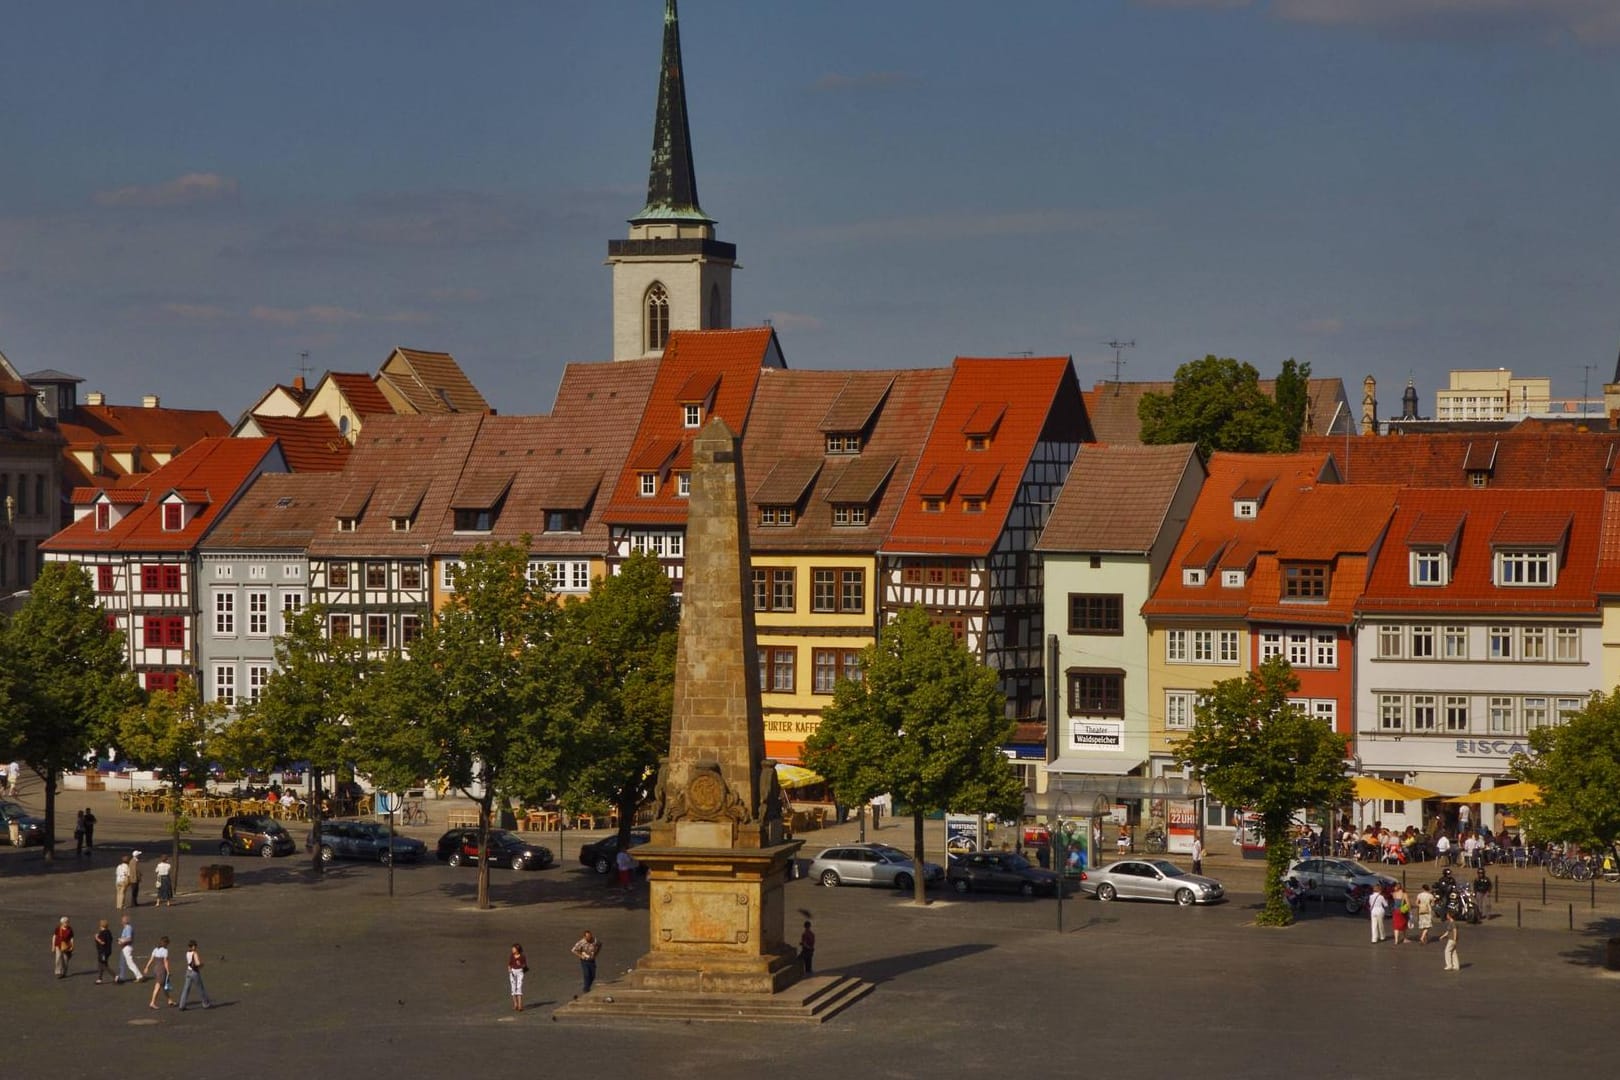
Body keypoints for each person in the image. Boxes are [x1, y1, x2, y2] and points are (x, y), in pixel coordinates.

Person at [177, 940, 213, 1010]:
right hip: (194, 972)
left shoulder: (187, 953)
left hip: (188, 972)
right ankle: (206, 1004)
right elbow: (197, 963)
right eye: (195, 946)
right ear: (193, 946)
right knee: (200, 988)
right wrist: (202, 965)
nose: (196, 947)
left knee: (186, 989)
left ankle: (182, 1005)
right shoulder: (195, 953)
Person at [144, 936, 177, 1008]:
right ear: (165, 943)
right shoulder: (165, 951)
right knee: (158, 986)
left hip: (156, 968)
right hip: (161, 969)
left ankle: (169, 1000)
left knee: (164, 985)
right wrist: (168, 971)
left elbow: (151, 959)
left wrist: (147, 967)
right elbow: (165, 962)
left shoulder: (155, 949)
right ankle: (152, 1002)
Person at [570, 930, 600, 995]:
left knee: (593, 975)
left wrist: (596, 954)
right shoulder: (581, 942)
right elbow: (573, 950)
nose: (589, 938)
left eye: (590, 936)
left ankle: (587, 987)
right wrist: (581, 956)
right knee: (586, 974)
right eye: (588, 937)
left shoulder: (595, 941)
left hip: (592, 960)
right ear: (584, 937)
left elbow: (599, 945)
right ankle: (586, 989)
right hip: (584, 960)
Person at [115, 915, 142, 984]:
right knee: (122, 963)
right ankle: (121, 977)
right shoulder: (126, 928)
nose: (122, 921)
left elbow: (129, 938)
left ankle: (139, 976)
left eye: (123, 920)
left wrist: (121, 941)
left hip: (127, 947)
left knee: (130, 963)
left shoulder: (128, 928)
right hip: (124, 947)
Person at [508, 943, 528, 1011]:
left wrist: (521, 964)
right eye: (512, 948)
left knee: (519, 987)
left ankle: (520, 1005)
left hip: (520, 972)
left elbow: (525, 966)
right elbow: (509, 964)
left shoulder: (522, 956)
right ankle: (515, 1004)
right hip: (513, 972)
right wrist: (509, 969)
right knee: (513, 987)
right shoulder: (512, 956)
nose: (512, 950)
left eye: (514, 949)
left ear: (517, 950)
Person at [93, 918, 114, 984]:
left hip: (103, 952)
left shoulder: (102, 933)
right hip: (108, 951)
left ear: (101, 925)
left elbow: (102, 942)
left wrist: (97, 938)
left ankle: (115, 976)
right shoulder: (109, 932)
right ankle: (99, 979)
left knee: (104, 965)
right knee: (100, 964)